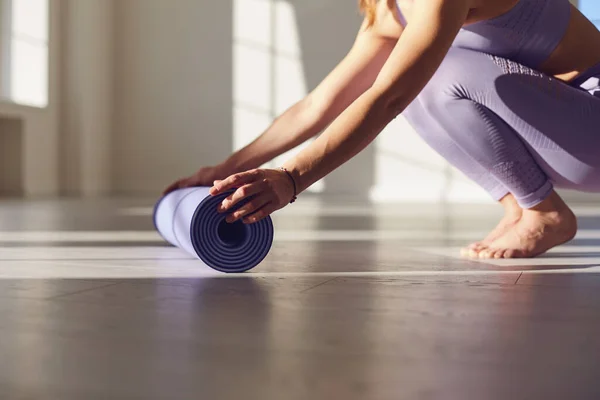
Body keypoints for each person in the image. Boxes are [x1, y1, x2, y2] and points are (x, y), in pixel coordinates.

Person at [164, 0, 600, 259]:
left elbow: (389, 96)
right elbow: (318, 105)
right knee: (415, 77)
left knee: (424, 76)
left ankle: (544, 211)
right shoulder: (389, 9)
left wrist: (292, 178)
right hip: (564, 139)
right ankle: (522, 206)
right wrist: (224, 168)